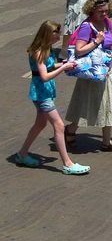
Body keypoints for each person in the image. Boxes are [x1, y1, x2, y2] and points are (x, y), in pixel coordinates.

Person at [14, 21, 90, 175]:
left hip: (43, 93)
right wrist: (63, 67)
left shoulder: (44, 49)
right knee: (59, 126)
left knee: (40, 124)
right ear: (48, 34)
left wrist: (64, 63)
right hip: (42, 94)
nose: (59, 37)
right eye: (57, 34)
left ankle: (22, 154)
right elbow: (44, 76)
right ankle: (68, 164)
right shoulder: (39, 52)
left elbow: (48, 66)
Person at [64, 0, 112, 153]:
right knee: (85, 105)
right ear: (92, 10)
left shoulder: (107, 22)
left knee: (108, 107)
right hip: (91, 74)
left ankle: (106, 143)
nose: (105, 14)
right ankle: (70, 130)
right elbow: (79, 50)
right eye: (101, 11)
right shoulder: (87, 26)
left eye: (107, 11)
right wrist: (96, 41)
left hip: (106, 72)